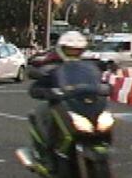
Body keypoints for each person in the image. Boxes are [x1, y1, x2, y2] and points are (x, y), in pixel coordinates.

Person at [27, 31, 90, 166]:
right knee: (45, 115)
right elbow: (36, 86)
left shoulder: (87, 67)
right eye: (69, 51)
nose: (73, 54)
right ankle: (48, 156)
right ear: (61, 50)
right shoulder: (51, 65)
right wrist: (48, 92)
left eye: (76, 51)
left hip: (81, 107)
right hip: (59, 106)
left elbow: (98, 81)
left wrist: (104, 88)